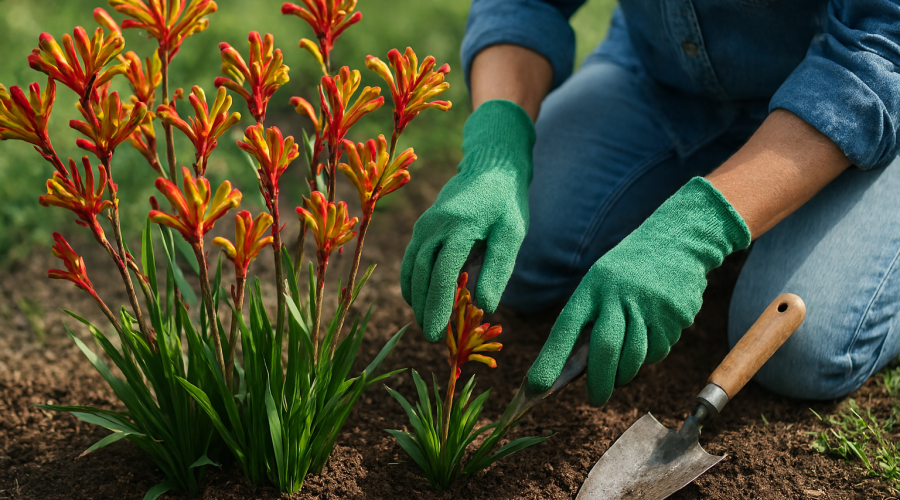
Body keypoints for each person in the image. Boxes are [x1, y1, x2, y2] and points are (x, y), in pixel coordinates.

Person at [401, 0, 900, 405]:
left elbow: (880, 49)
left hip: (853, 95)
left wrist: (693, 232)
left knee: (802, 349)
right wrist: (497, 147)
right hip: (665, 73)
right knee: (515, 258)